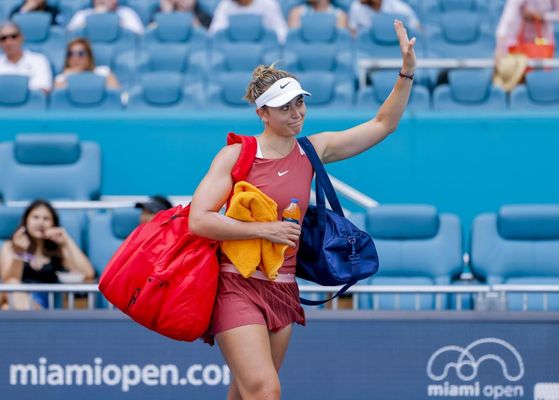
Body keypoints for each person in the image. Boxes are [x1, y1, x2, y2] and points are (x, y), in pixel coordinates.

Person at [189, 19, 415, 400]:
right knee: (265, 390)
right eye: (284, 107)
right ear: (263, 114)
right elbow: (199, 220)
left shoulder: (312, 150)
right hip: (236, 285)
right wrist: (264, 230)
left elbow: (383, 124)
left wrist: (406, 72)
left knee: (246, 393)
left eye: (299, 103)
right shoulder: (236, 154)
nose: (296, 113)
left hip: (284, 288)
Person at [0, 200, 95, 310]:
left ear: (53, 224)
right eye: (35, 217)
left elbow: (88, 274)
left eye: (46, 219)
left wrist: (66, 240)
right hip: (14, 298)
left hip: (42, 304)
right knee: (10, 293)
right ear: (26, 221)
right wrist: (19, 253)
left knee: (6, 308)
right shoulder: (10, 246)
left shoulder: (58, 250)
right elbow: (8, 280)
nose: (40, 223)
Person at [0, 21, 53, 93]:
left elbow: (43, 89)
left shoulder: (39, 60)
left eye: (14, 36)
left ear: (22, 38)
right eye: (3, 38)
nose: (9, 42)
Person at [209, 0, 288, 44]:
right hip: (233, 52)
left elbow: (281, 33)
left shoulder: (268, 4)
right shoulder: (225, 5)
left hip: (263, 51)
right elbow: (214, 34)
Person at [54, 38, 120, 89]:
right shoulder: (61, 78)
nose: (75, 58)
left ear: (89, 56)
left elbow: (116, 97)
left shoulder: (104, 72)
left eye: (80, 53)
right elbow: (58, 100)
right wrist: (67, 77)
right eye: (70, 54)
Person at [67, 0, 144, 35]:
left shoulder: (127, 13)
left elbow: (139, 35)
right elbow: (69, 35)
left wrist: (119, 23)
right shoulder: (83, 14)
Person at [348, 0, 420, 36]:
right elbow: (353, 34)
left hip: (395, 52)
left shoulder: (398, 8)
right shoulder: (356, 7)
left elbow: (418, 29)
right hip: (367, 53)